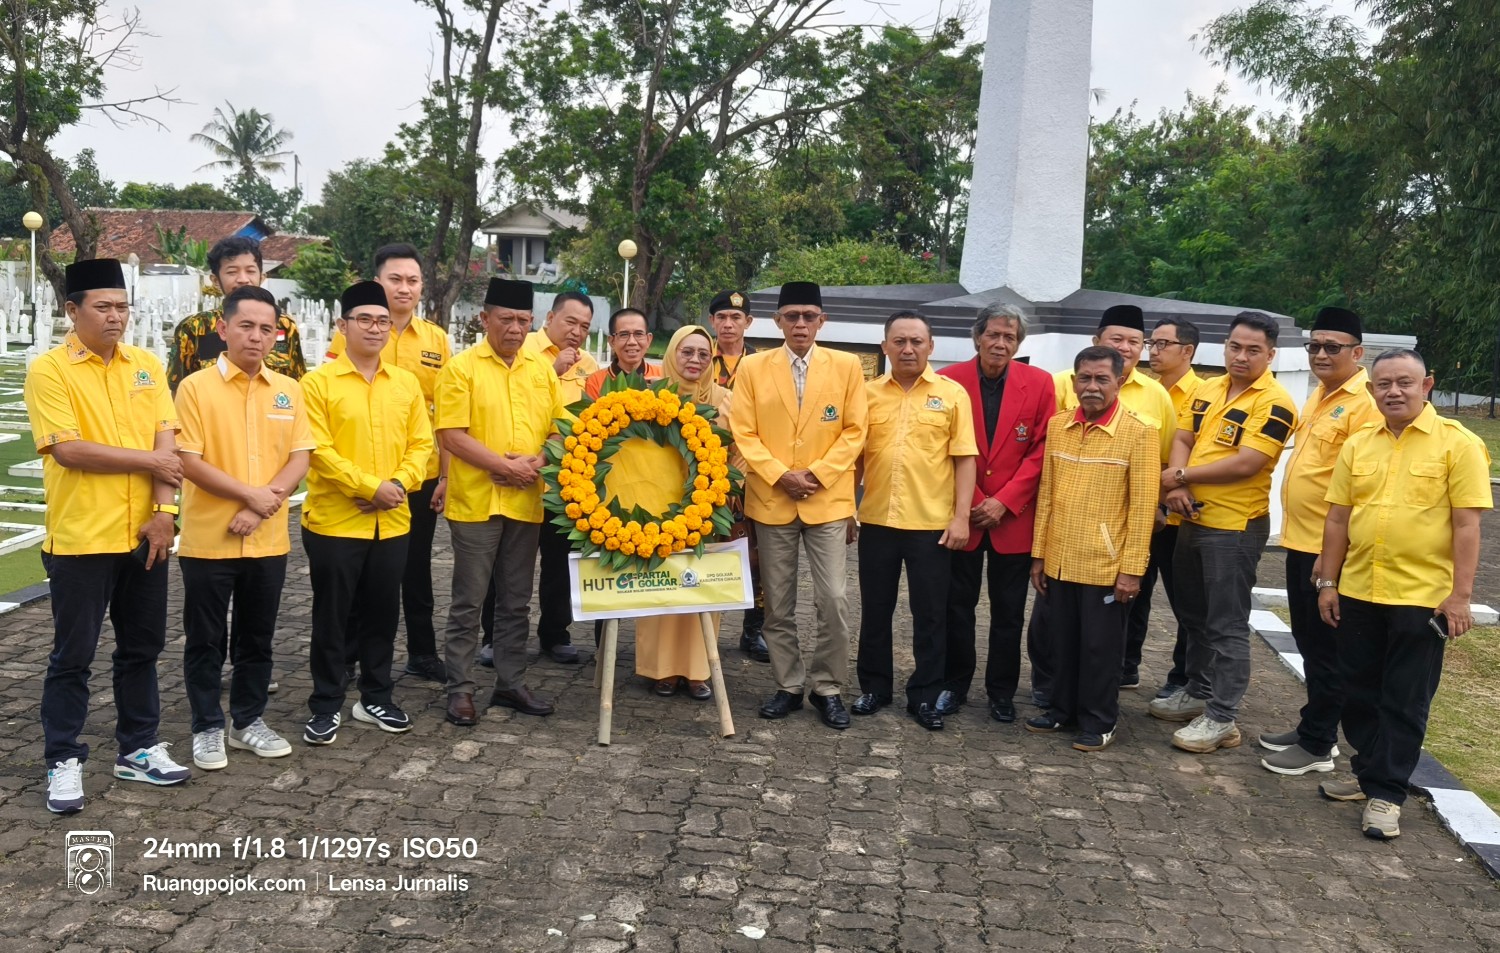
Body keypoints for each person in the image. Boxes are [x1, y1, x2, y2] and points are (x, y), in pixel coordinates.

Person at [26, 258, 191, 813]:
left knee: (142, 649)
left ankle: (138, 747)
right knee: (73, 656)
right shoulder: (50, 371)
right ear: (73, 311)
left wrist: (165, 514)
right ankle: (63, 759)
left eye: (122, 306)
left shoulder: (144, 365)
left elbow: (167, 447)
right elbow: (68, 450)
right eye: (104, 307)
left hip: (145, 533)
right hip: (82, 539)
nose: (116, 316)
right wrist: (148, 459)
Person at [1315, 349, 1490, 839]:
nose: (1394, 391)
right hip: (1359, 589)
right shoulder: (1359, 445)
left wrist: (1460, 596)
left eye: (1404, 383)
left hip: (1422, 596)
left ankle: (1387, 795)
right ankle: (1372, 772)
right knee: (1355, 690)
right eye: (1384, 383)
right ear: (1371, 390)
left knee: (1405, 698)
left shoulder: (1459, 444)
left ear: (1427, 384)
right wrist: (1328, 582)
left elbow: (1466, 524)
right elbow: (1337, 518)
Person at [176, 285, 313, 769]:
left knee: (257, 637)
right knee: (205, 639)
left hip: (266, 538)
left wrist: (258, 507)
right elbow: (189, 460)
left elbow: (300, 458)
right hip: (208, 539)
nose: (256, 337)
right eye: (246, 326)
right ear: (223, 329)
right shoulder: (195, 388)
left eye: (266, 329)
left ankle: (248, 721)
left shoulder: (288, 390)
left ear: (277, 335)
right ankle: (207, 726)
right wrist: (248, 495)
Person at [1149, 311, 1298, 753]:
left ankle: (1222, 716)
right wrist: (1180, 481)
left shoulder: (1275, 402)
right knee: (1193, 615)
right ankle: (1197, 691)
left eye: (1254, 350)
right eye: (1235, 346)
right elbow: (1183, 436)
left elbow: (1247, 462)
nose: (1242, 356)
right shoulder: (1208, 389)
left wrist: (1179, 478)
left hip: (1234, 528)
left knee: (1226, 624)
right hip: (1193, 517)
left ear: (1270, 355)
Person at [729, 281, 868, 729]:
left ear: (822, 320)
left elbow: (855, 430)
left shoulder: (847, 367)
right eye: (792, 316)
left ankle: (827, 687)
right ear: (778, 321)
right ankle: (788, 685)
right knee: (778, 603)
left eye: (809, 316)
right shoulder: (753, 368)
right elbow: (744, 431)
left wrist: (818, 475)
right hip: (772, 499)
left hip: (827, 501)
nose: (801, 324)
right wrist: (779, 474)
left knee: (834, 599)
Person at [300, 281, 433, 745]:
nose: (375, 328)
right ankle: (325, 703)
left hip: (392, 520)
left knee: (382, 613)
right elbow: (318, 449)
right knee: (333, 616)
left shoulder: (406, 383)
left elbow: (422, 443)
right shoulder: (317, 384)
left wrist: (394, 486)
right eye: (364, 320)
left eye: (382, 321)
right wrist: (367, 486)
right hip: (336, 521)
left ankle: (375, 694)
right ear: (343, 326)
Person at [436, 278, 566, 726]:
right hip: (476, 502)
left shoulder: (540, 369)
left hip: (526, 500)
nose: (514, 328)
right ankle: (460, 688)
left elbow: (558, 427)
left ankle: (510, 684)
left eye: (523, 321)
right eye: (506, 319)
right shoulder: (461, 368)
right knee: (469, 601)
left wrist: (540, 458)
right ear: (484, 318)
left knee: (515, 600)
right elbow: (451, 434)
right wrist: (503, 466)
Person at [1259, 307, 1380, 776]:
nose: (1321, 354)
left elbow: (1360, 486)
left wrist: (1333, 560)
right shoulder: (1320, 396)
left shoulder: (1364, 403)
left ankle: (1318, 743)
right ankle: (1316, 724)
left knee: (1328, 649)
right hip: (1302, 540)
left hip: (1329, 549)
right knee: (1309, 642)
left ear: (1358, 352)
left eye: (1333, 347)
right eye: (1314, 346)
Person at [325, 243, 452, 683]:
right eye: (395, 279)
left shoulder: (436, 338)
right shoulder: (349, 333)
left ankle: (422, 651)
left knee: (415, 567)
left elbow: (444, 412)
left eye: (413, 280)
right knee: (362, 573)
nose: (405, 288)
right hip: (359, 476)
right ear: (377, 282)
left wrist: (444, 476)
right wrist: (364, 484)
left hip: (418, 473)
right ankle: (348, 656)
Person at [1026, 346, 1158, 751]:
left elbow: (1142, 507)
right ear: (1073, 381)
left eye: (1102, 379)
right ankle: (1061, 710)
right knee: (1059, 640)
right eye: (1085, 378)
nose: (1092, 387)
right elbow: (1046, 495)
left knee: (1100, 649)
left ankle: (1099, 720)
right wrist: (1039, 554)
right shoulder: (1059, 425)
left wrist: (1132, 568)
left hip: (1106, 563)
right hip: (1061, 558)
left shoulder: (1139, 432)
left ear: (1120, 382)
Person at [852, 312, 977, 730]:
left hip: (931, 526)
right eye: (899, 341)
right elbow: (853, 458)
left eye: (917, 342)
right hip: (877, 521)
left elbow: (964, 459)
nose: (908, 349)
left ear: (931, 346)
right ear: (884, 346)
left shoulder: (953, 394)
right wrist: (848, 511)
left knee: (930, 615)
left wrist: (962, 518)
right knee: (875, 610)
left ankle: (925, 696)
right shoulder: (866, 394)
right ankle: (874, 687)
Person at [1043, 303, 1175, 693]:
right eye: (1118, 338)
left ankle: (1115, 682)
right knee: (1059, 628)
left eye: (1136, 341)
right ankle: (1059, 694)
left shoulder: (1156, 396)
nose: (1128, 346)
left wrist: (1157, 510)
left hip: (1118, 536)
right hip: (1066, 538)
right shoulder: (1059, 387)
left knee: (1120, 618)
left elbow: (1161, 461)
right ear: (1097, 340)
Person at [938, 304, 1055, 722]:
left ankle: (1001, 692)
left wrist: (1003, 501)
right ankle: (954, 684)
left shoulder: (1039, 384)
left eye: (1010, 337)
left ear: (1018, 343)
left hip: (1014, 519)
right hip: (963, 516)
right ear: (977, 337)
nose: (1001, 343)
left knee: (1008, 613)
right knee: (957, 607)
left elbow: (1042, 449)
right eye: (993, 335)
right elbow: (940, 449)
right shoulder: (949, 381)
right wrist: (973, 500)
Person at [634, 325, 734, 699]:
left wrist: (724, 491)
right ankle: (660, 670)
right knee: (660, 586)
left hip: (708, 509)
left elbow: (738, 449)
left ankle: (697, 671)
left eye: (703, 354)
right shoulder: (650, 397)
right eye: (686, 352)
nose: (695, 360)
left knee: (701, 586)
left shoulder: (725, 399)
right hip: (658, 508)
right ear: (672, 354)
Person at [522, 291, 601, 665]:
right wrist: (552, 371)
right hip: (520, 473)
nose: (577, 332)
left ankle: (555, 633)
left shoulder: (588, 364)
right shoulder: (523, 352)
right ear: (550, 317)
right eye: (571, 322)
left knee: (559, 563)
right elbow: (517, 398)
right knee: (510, 564)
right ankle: (495, 636)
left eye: (584, 326)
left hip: (565, 481)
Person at [707, 290, 768, 662]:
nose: (728, 324)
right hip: (704, 473)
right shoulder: (699, 357)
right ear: (712, 321)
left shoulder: (763, 365)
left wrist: (739, 477)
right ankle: (703, 627)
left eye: (736, 317)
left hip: (753, 473)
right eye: (722, 317)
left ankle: (754, 629)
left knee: (757, 554)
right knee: (707, 550)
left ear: (748, 322)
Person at [1144, 317, 1203, 699]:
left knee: (1186, 602)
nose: (1154, 350)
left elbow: (1199, 449)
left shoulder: (1203, 394)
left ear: (1188, 351)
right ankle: (1125, 665)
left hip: (1181, 513)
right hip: (1143, 510)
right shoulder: (1143, 390)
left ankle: (1183, 675)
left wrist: (1172, 490)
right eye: (1153, 342)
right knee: (1133, 592)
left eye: (1164, 343)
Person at [167, 236, 306, 393]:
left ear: (262, 277)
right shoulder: (194, 328)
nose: (243, 279)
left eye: (250, 271)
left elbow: (297, 384)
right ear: (215, 280)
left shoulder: (285, 326)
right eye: (232, 272)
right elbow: (177, 389)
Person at [583, 307, 662, 399]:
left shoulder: (663, 375)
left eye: (638, 334)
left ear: (649, 339)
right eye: (624, 334)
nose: (632, 342)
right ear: (612, 341)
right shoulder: (596, 381)